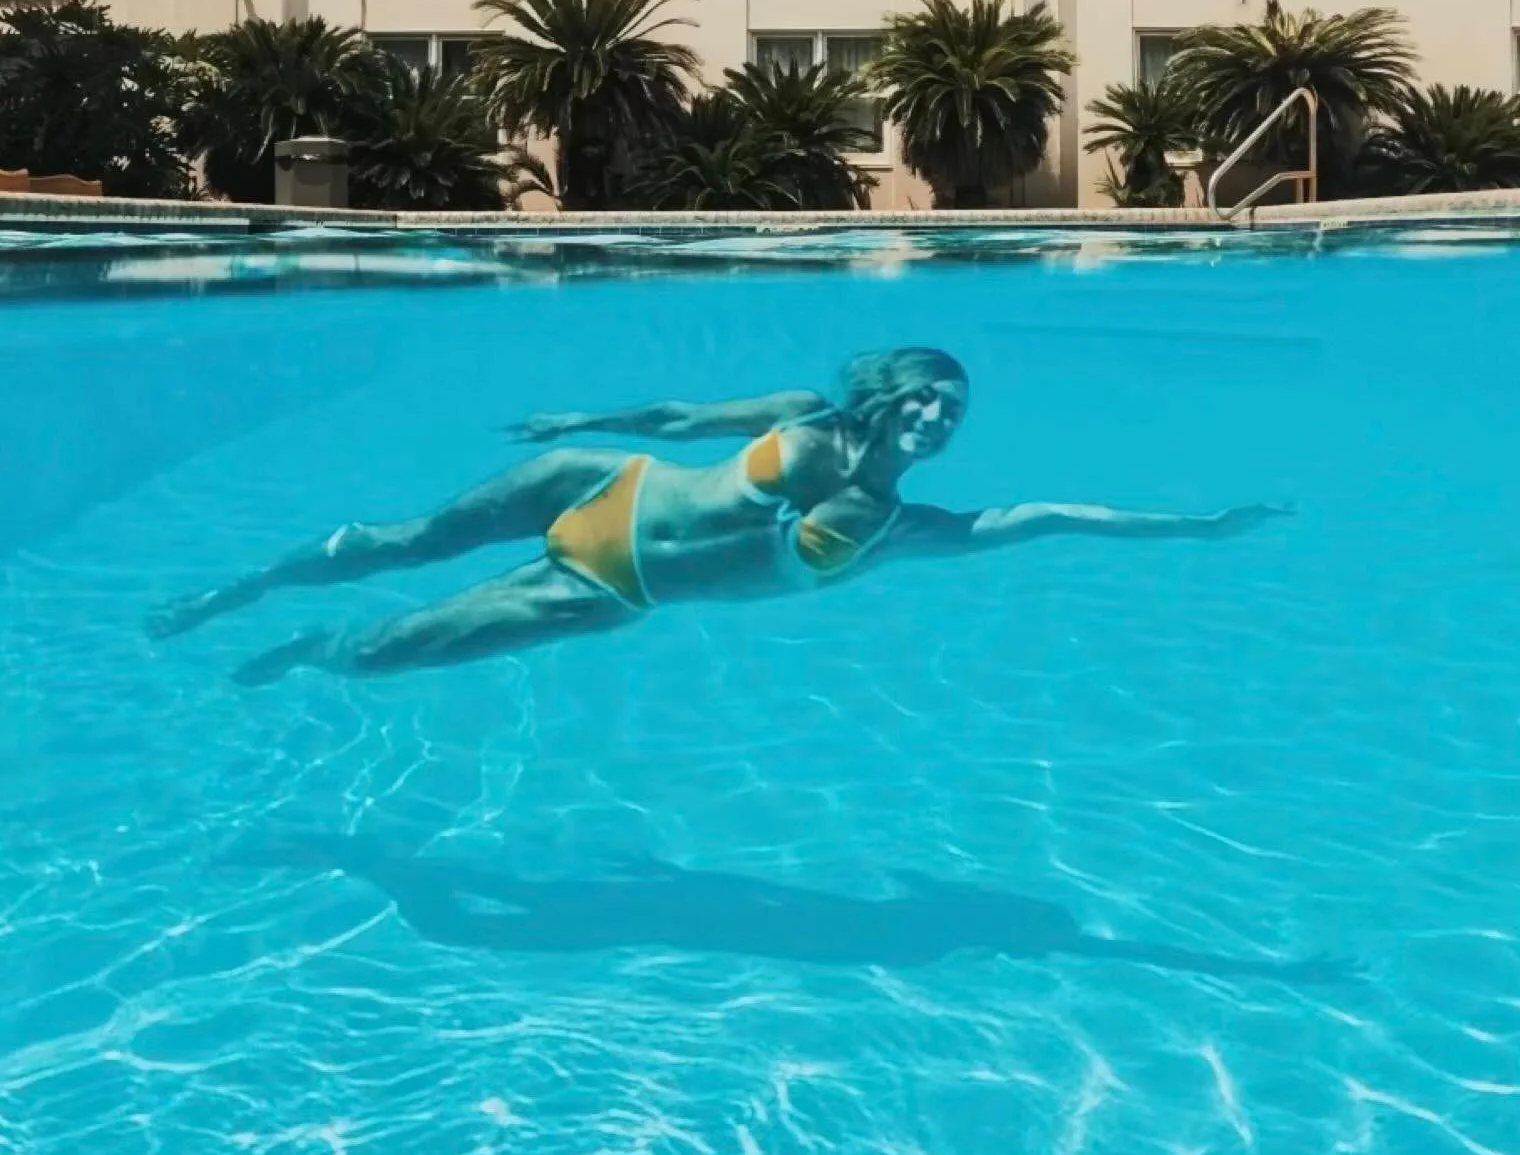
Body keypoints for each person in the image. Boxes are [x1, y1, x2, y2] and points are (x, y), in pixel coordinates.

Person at [145, 347, 1292, 687]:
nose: (939, 417)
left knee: (387, 655)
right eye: (928, 396)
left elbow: (1049, 517)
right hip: (599, 486)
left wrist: (1193, 530)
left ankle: (310, 646)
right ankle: (246, 586)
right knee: (403, 544)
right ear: (894, 392)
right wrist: (579, 416)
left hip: (607, 588)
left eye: (955, 411)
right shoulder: (802, 413)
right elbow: (683, 417)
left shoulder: (905, 529)